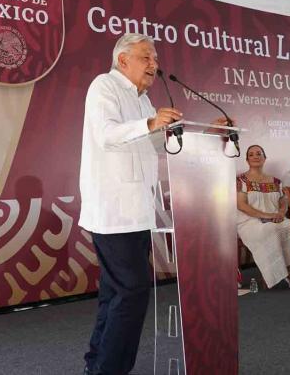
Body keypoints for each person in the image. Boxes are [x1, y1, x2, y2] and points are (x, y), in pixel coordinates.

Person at [80, 33, 183, 375]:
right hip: (113, 212)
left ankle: (97, 366)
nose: (155, 65)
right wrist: (151, 123)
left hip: (138, 211)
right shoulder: (104, 87)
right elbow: (107, 134)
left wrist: (182, 133)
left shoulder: (143, 99)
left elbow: (148, 147)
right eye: (147, 58)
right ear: (123, 60)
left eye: (154, 59)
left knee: (116, 295)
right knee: (132, 292)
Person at [236, 145, 290, 289]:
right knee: (270, 229)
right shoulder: (241, 180)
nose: (255, 156)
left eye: (259, 154)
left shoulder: (276, 181)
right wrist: (268, 216)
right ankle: (277, 273)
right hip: (249, 221)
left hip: (275, 218)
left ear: (264, 158)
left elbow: (283, 200)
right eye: (251, 154)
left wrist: (280, 213)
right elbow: (242, 206)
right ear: (247, 160)